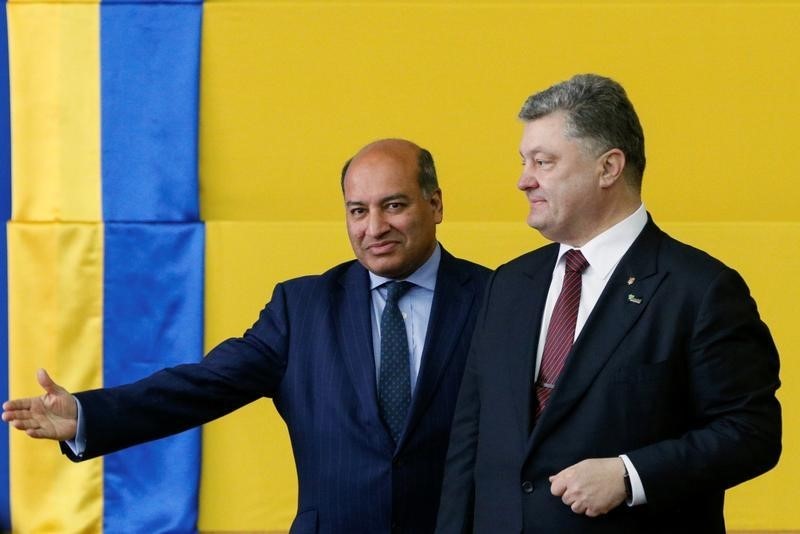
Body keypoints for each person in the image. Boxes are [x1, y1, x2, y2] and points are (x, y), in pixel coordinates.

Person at [3, 138, 491, 534]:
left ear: (436, 203)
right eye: (357, 211)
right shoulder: (302, 308)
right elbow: (202, 386)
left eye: (394, 205)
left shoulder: (498, 298)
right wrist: (89, 414)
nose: (374, 227)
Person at [435, 74, 781, 533]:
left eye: (544, 162)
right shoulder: (508, 284)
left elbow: (750, 433)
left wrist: (629, 473)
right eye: (524, 161)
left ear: (609, 168)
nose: (523, 181)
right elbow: (470, 442)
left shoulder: (700, 289)